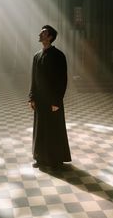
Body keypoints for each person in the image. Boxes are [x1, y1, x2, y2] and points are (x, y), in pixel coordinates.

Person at [28, 25, 71, 170]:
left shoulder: (58, 55)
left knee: (53, 129)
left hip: (53, 100)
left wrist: (56, 101)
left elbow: (62, 80)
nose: (40, 33)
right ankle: (40, 158)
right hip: (40, 99)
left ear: (50, 37)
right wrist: (31, 97)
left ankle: (55, 160)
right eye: (41, 31)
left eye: (44, 32)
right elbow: (33, 79)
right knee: (40, 129)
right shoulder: (36, 56)